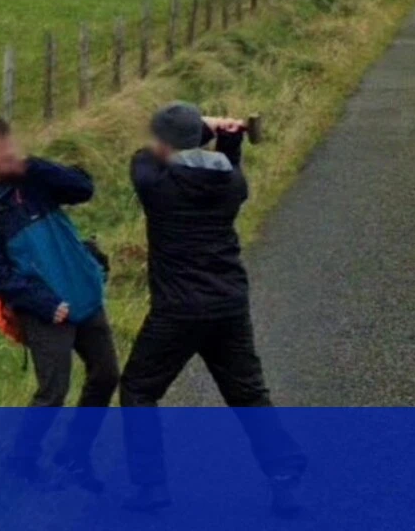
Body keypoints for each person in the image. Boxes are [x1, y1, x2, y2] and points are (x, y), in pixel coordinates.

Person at [119, 101, 307, 517]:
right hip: (227, 304)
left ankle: (151, 488)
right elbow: (224, 163)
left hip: (178, 311)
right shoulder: (232, 185)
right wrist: (225, 135)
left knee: (137, 390)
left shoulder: (156, 185)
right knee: (248, 393)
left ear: (166, 144)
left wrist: (201, 126)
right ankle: (283, 479)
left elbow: (143, 158)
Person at [0, 113, 119, 492]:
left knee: (107, 375)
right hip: (47, 313)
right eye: (4, 152)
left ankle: (75, 454)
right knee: (52, 393)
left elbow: (83, 189)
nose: (13, 156)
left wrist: (33, 166)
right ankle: (21, 461)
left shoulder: (32, 180)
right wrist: (45, 304)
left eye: (14, 147)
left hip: (84, 294)